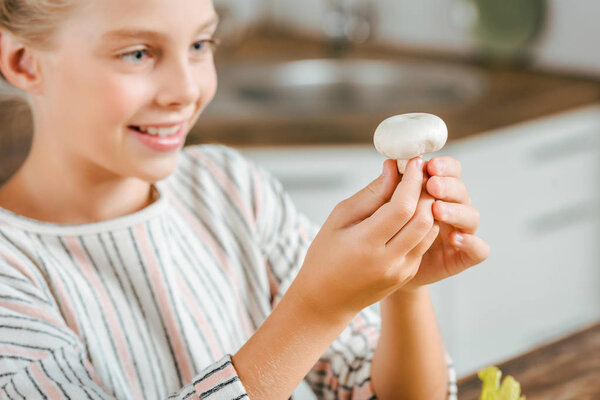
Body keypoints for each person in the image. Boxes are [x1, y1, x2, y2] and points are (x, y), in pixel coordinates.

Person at [0, 0, 490, 399]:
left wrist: (402, 287)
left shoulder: (228, 186)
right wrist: (315, 309)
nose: (186, 90)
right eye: (138, 53)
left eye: (199, 44)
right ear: (23, 62)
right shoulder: (11, 271)